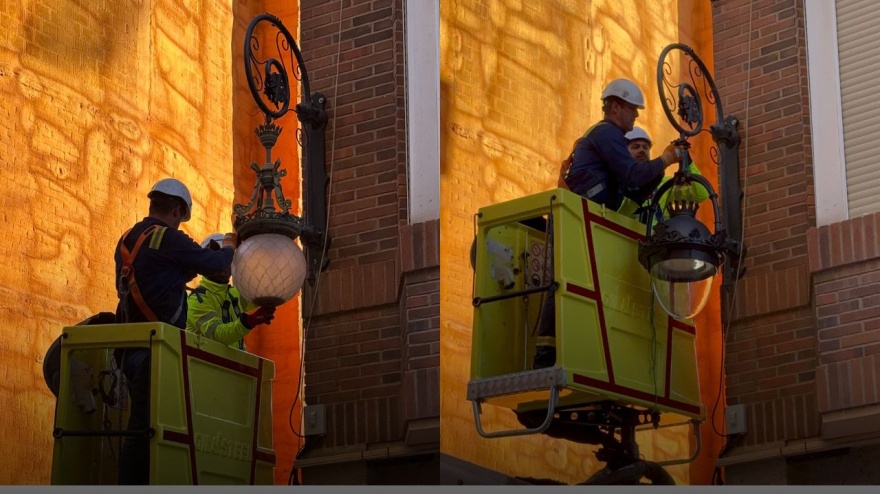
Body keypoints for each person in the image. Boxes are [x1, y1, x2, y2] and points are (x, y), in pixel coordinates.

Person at [114, 178, 235, 485]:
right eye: (182, 218)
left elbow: (159, 273)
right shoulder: (168, 237)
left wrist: (188, 263)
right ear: (178, 211)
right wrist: (230, 246)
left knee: (144, 427)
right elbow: (217, 264)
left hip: (129, 349)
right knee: (146, 430)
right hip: (158, 350)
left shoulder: (127, 238)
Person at [561, 79, 681, 211]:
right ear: (615, 108)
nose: (636, 114)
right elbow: (633, 176)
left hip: (586, 212)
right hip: (583, 211)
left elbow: (634, 192)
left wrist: (657, 172)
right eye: (632, 109)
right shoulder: (607, 132)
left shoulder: (605, 134)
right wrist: (668, 158)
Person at [186, 233, 277, 350]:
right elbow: (218, 335)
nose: (223, 266)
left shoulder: (233, 294)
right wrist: (250, 321)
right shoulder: (198, 300)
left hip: (234, 361)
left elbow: (262, 293)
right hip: (206, 362)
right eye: (217, 260)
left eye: (227, 260)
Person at [616, 127, 710, 224]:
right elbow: (615, 219)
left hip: (655, 234)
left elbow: (701, 194)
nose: (642, 150)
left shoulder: (663, 186)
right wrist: (637, 199)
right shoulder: (616, 185)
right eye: (636, 147)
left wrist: (687, 161)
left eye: (645, 147)